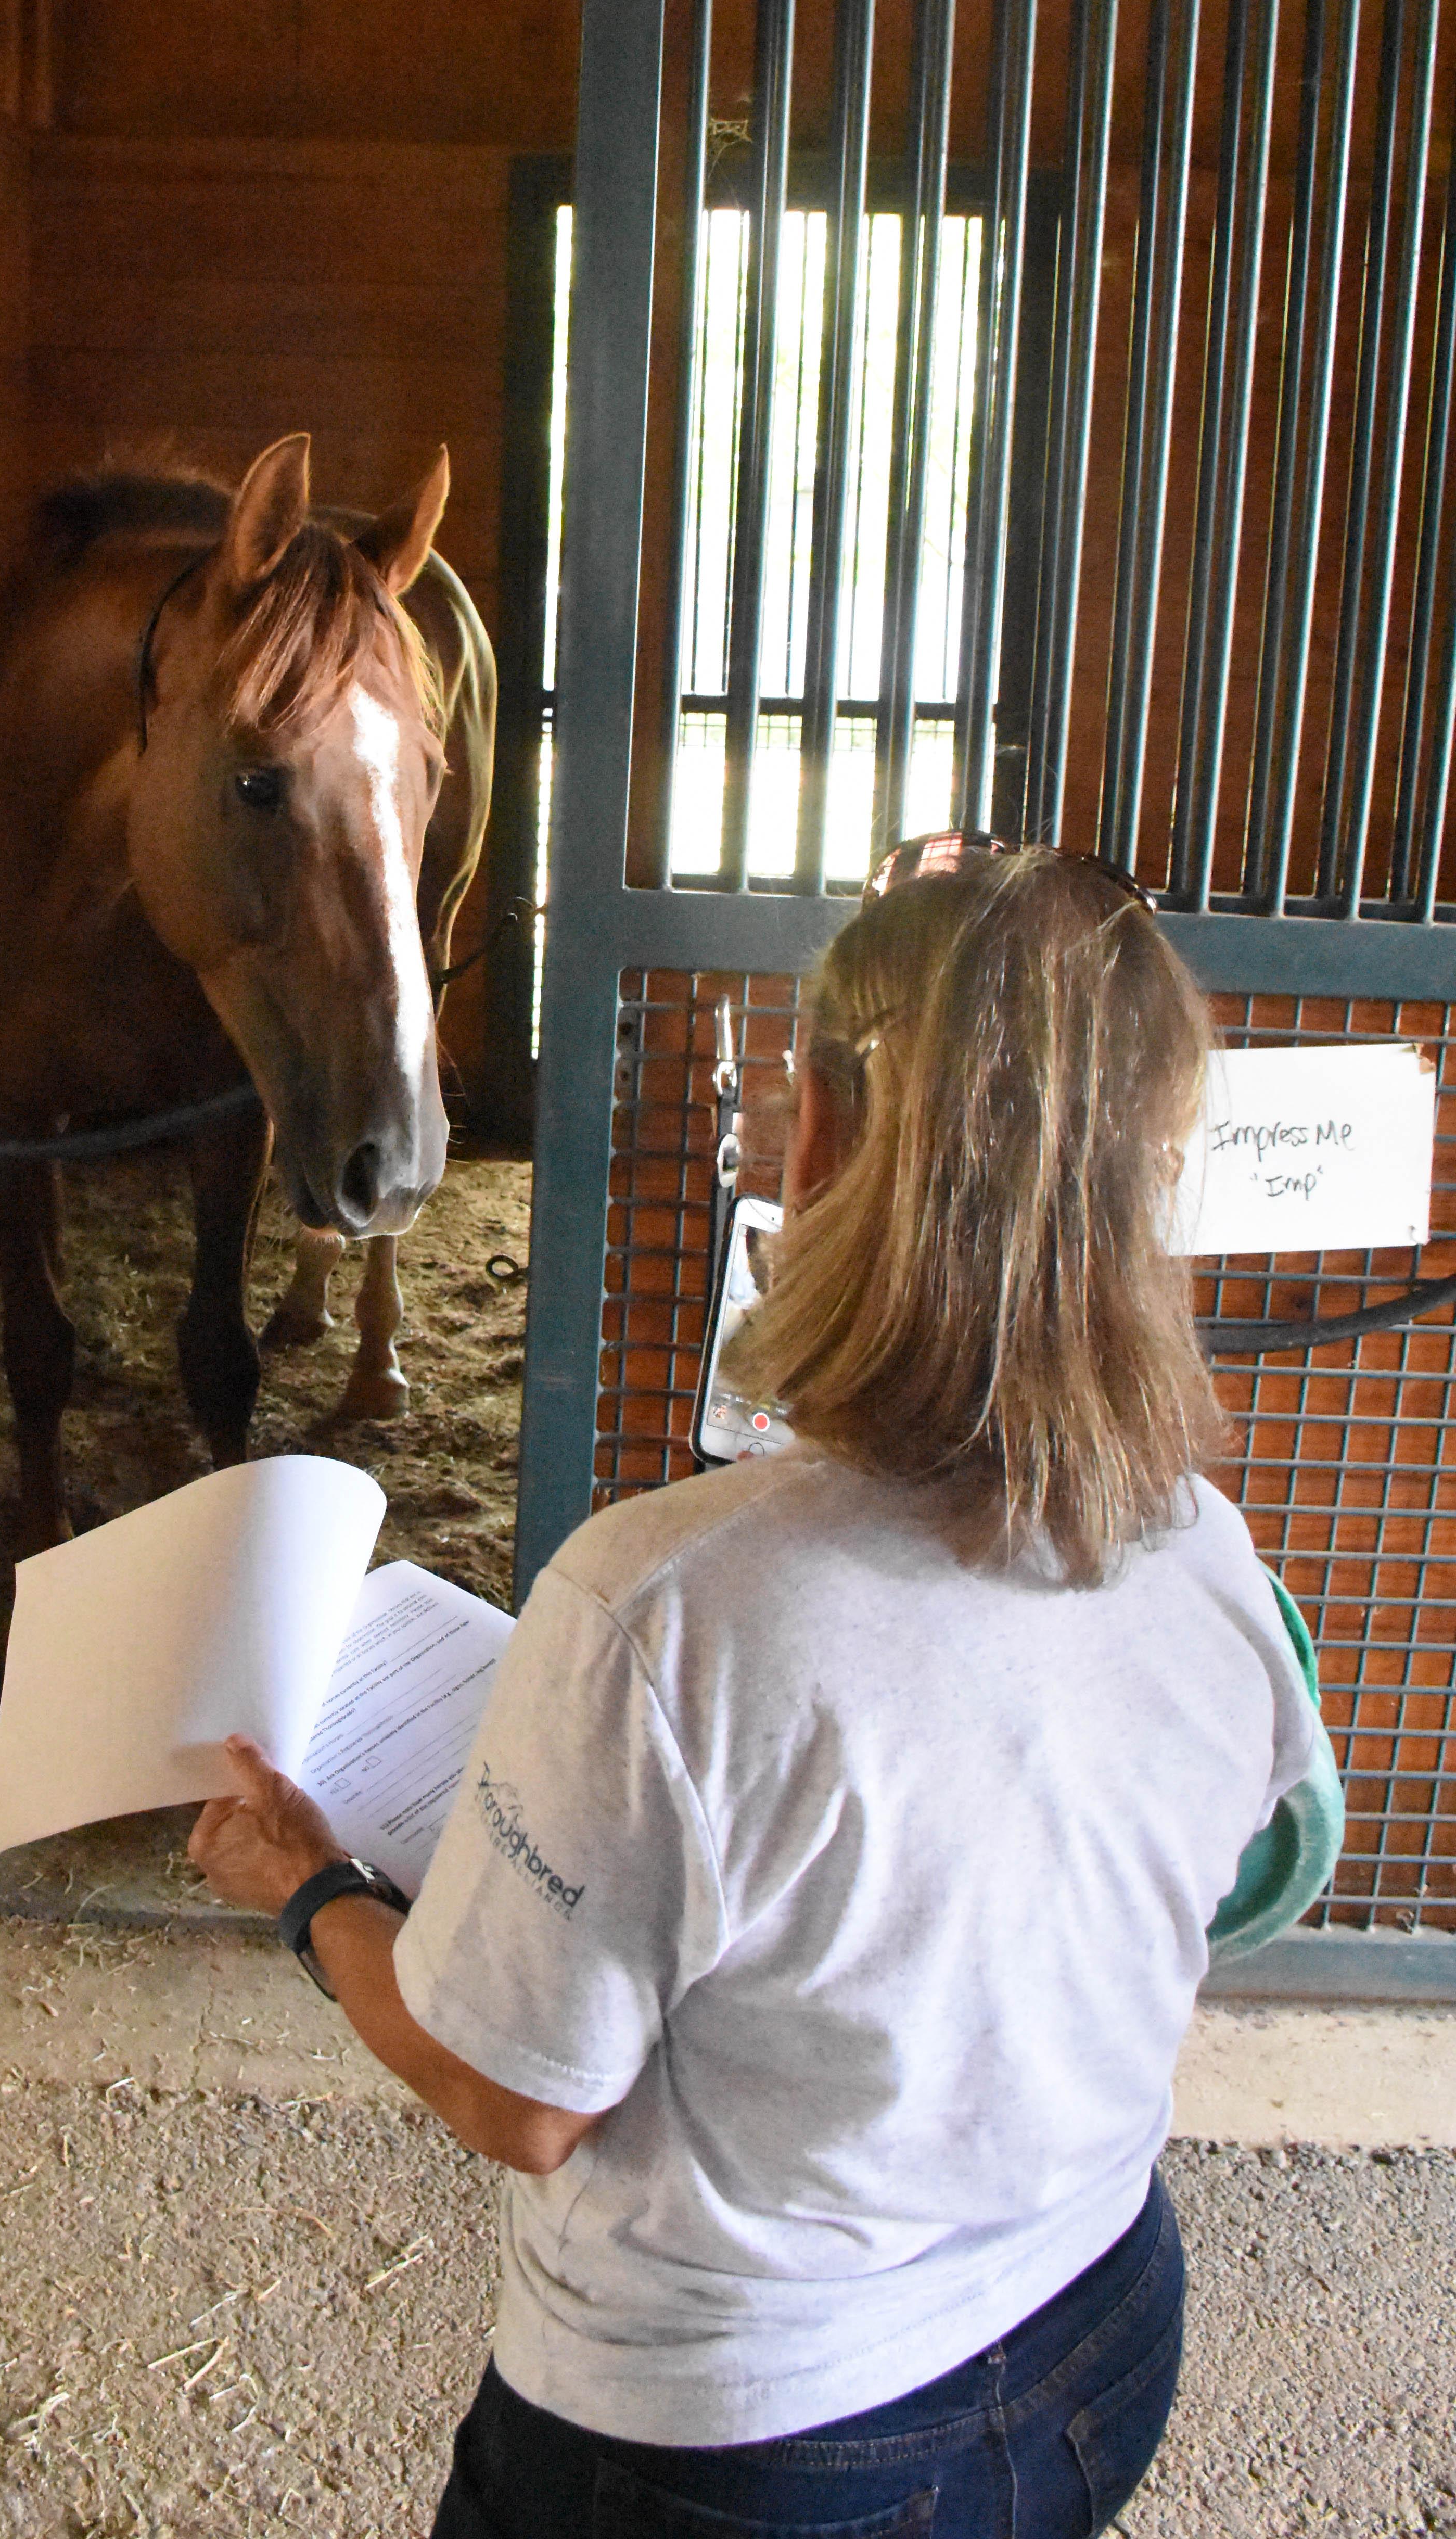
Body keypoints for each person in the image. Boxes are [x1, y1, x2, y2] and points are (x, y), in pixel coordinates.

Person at [189, 837, 1337, 2538]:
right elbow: (1246, 1877)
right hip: (1102, 2323)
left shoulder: (657, 1606)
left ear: (822, 1144)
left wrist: (309, 1889)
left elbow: (519, 2099)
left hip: (749, 2440)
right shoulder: (1208, 1553)